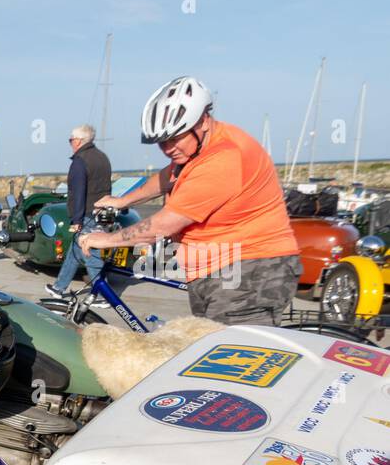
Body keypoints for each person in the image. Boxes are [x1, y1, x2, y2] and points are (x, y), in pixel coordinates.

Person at [79, 76, 299, 325]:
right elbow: (169, 175)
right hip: (217, 269)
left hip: (250, 271)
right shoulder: (197, 149)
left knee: (229, 357)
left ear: (203, 120)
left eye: (174, 138)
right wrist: (122, 200)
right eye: (162, 142)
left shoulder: (223, 158)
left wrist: (107, 240)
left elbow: (163, 226)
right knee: (207, 347)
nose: (168, 148)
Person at [47, 124, 111, 297]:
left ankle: (104, 296)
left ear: (80, 141)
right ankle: (59, 287)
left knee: (91, 255)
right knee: (75, 253)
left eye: (71, 139)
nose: (70, 143)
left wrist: (77, 220)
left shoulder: (80, 160)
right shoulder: (102, 157)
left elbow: (78, 192)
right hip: (101, 212)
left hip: (88, 214)